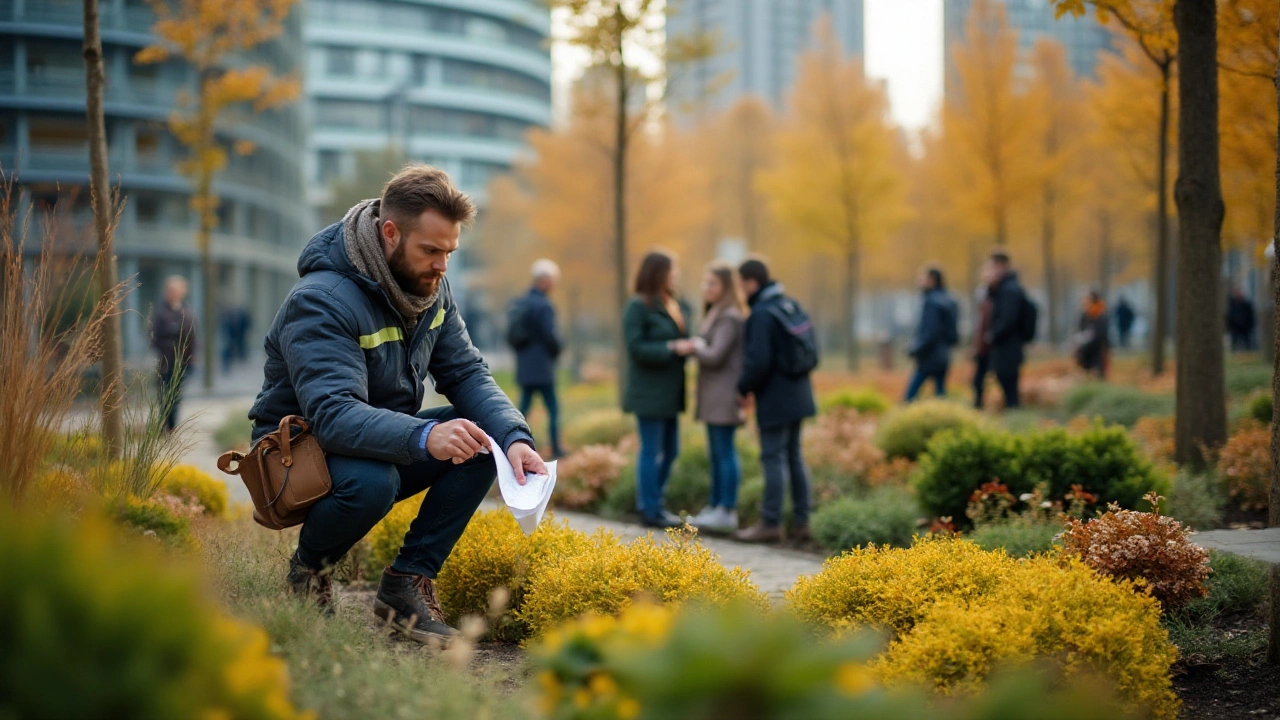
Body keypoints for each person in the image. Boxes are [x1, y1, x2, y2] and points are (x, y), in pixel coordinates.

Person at [248, 165, 545, 644]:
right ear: (390, 233)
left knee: (481, 440)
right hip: (297, 455)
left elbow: (467, 373)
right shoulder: (321, 300)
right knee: (373, 481)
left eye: (449, 252)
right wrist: (426, 435)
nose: (442, 265)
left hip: (377, 440)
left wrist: (513, 438)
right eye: (430, 250)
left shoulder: (431, 291)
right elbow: (333, 415)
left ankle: (405, 586)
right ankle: (307, 573)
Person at [733, 258, 817, 544]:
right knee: (794, 455)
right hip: (800, 393)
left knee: (773, 456)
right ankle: (803, 522)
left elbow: (759, 360)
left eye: (741, 284)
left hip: (776, 397)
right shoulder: (790, 305)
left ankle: (770, 523)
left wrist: (743, 387)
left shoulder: (762, 313)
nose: (741, 291)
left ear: (751, 282)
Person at [622, 250, 692, 529]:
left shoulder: (672, 303)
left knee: (672, 450)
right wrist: (672, 348)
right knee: (652, 450)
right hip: (649, 393)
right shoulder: (638, 306)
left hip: (670, 391)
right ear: (658, 272)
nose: (676, 275)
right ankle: (650, 510)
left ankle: (653, 502)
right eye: (672, 270)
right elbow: (636, 347)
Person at [686, 262, 747, 535]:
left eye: (712, 283)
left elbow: (715, 355)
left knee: (725, 453)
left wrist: (697, 346)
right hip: (715, 395)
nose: (706, 288)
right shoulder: (718, 313)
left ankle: (727, 509)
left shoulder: (729, 317)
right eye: (705, 283)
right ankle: (715, 506)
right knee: (717, 453)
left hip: (724, 394)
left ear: (726, 287)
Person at [512, 259, 564, 458]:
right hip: (542, 367)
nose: (554, 284)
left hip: (525, 365)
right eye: (552, 280)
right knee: (553, 408)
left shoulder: (521, 301)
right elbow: (550, 336)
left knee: (522, 409)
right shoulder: (544, 305)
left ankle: (515, 442)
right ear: (544, 280)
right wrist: (558, 350)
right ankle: (556, 447)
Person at [972, 249, 1028, 410]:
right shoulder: (995, 291)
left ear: (1001, 267)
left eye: (990, 267)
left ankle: (1015, 422)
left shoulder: (1009, 290)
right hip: (993, 348)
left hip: (1006, 348)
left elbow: (1008, 320)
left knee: (1009, 388)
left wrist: (991, 335)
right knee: (979, 382)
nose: (986, 272)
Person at [149, 275, 197, 432]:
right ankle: (163, 424)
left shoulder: (188, 312)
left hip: (182, 361)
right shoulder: (160, 312)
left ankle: (172, 426)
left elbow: (193, 336)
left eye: (176, 290)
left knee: (176, 395)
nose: (173, 293)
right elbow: (153, 334)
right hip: (165, 360)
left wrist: (191, 356)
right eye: (171, 290)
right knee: (164, 394)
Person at [904, 266, 959, 402]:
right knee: (940, 392)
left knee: (910, 395)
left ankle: (908, 418)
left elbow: (929, 332)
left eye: (923, 278)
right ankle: (944, 418)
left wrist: (914, 349)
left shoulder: (931, 303)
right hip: (943, 354)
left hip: (929, 356)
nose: (919, 281)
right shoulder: (949, 300)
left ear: (932, 280)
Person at [1074, 290, 1110, 378]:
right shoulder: (1084, 316)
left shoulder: (1100, 316)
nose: (1084, 303)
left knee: (1097, 378)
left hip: (1097, 357)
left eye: (1087, 300)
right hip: (1084, 356)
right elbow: (1079, 332)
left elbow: (1099, 337)